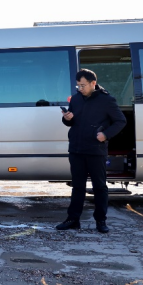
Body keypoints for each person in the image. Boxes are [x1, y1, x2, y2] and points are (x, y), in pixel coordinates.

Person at [58, 68, 126, 233]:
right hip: (76, 149)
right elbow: (71, 122)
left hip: (96, 150)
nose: (80, 89)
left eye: (83, 85)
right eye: (78, 86)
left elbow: (120, 121)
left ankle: (101, 221)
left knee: (99, 187)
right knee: (77, 186)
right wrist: (67, 118)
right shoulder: (76, 99)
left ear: (93, 83)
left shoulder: (107, 100)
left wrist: (106, 135)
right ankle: (73, 219)